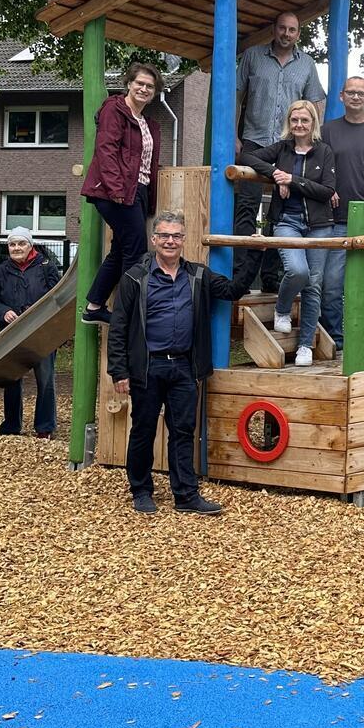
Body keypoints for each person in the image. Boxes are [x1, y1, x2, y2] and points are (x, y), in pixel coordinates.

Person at [108, 211, 244, 515]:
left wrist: (255, 254)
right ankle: (141, 491)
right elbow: (118, 327)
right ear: (155, 239)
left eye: (177, 236)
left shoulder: (198, 275)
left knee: (183, 430)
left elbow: (233, 291)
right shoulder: (135, 278)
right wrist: (119, 370)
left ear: (184, 240)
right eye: (165, 235)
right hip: (148, 367)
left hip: (183, 366)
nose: (171, 241)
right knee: (143, 429)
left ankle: (185, 495)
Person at [232, 12, 327, 293]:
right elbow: (237, 96)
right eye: (283, 28)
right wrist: (233, 136)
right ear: (274, 29)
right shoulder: (252, 56)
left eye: (293, 30)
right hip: (254, 140)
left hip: (289, 145)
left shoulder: (307, 64)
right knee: (246, 206)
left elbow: (316, 103)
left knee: (281, 213)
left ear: (299, 33)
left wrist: (313, 141)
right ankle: (241, 276)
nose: (287, 34)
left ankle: (271, 277)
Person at [244, 100, 336, 366]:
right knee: (298, 271)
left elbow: (327, 190)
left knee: (313, 286)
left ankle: (306, 345)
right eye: (294, 120)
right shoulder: (282, 148)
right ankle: (282, 308)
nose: (299, 125)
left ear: (313, 124)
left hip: (319, 225)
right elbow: (247, 157)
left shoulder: (324, 151)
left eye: (304, 121)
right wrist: (275, 173)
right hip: (288, 221)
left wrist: (293, 181)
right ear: (289, 122)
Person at [81, 62, 161, 323]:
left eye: (149, 86)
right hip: (115, 191)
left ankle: (94, 307)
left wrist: (147, 198)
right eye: (139, 83)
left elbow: (146, 162)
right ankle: (128, 310)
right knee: (137, 249)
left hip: (137, 190)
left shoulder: (146, 122)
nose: (144, 89)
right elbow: (106, 150)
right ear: (129, 83)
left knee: (122, 249)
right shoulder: (114, 111)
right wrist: (116, 189)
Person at [319, 75, 364, 349]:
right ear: (341, 96)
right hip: (336, 219)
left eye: (361, 93)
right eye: (351, 92)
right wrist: (327, 188)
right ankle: (336, 340)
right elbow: (318, 167)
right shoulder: (327, 131)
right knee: (332, 284)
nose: (356, 97)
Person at [0, 227, 61, 438]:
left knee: (45, 379)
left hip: (42, 333)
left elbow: (55, 298)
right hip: (11, 333)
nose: (17, 248)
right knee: (11, 378)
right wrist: (4, 312)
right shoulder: (1, 270)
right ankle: (11, 424)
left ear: (31, 246)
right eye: (12, 244)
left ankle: (45, 426)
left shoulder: (47, 267)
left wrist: (36, 310)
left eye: (21, 243)